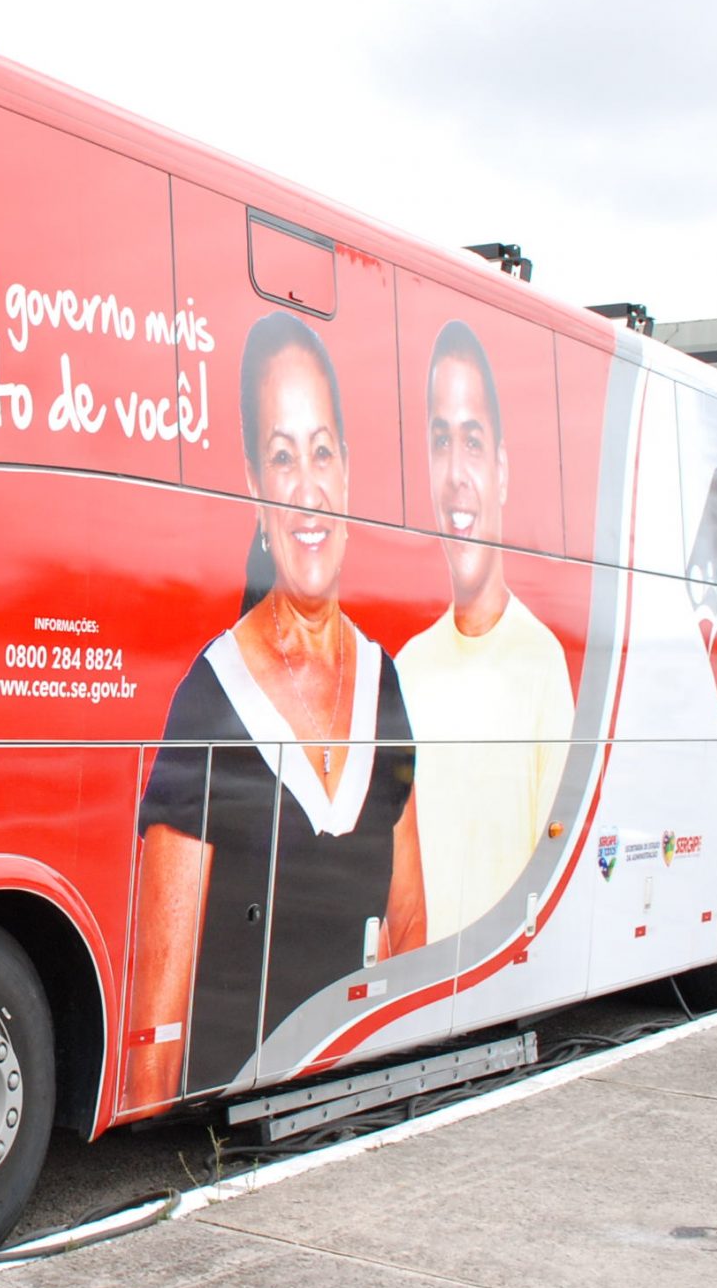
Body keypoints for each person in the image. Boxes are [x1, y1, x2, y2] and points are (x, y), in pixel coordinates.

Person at [124, 312, 425, 1109]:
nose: (307, 487)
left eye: (321, 452)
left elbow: (410, 933)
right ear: (256, 490)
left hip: (348, 1113)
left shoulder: (384, 686)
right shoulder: (209, 701)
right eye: (283, 458)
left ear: (347, 473)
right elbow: (155, 1037)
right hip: (223, 1129)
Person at [394, 321, 574, 942]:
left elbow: (555, 875)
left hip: (502, 977)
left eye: (472, 442)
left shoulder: (542, 664)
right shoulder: (406, 670)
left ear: (501, 471)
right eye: (441, 441)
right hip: (420, 988)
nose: (455, 474)